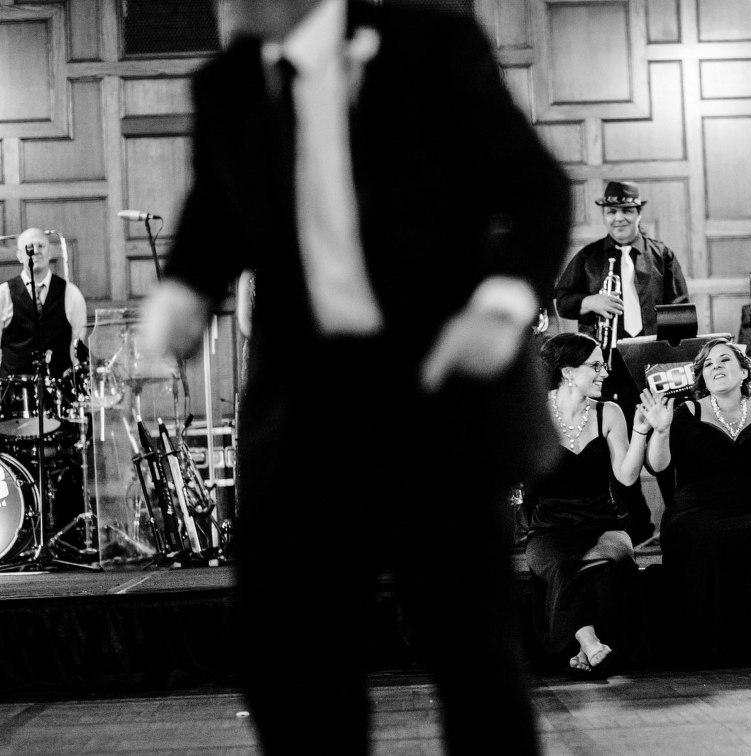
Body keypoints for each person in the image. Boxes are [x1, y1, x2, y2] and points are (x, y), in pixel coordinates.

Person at [141, 1, 570, 754]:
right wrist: (181, 291)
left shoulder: (433, 44)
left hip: (436, 391)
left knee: (472, 655)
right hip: (303, 411)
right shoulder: (228, 84)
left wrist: (499, 309)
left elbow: (535, 187)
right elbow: (217, 211)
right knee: (290, 661)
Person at [644, 337, 751, 667]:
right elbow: (658, 466)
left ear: (744, 372)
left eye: (724, 360)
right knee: (704, 536)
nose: (716, 367)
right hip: (697, 509)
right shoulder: (686, 412)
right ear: (702, 378)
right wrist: (660, 432)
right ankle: (710, 648)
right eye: (708, 364)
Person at [527, 333, 648, 678]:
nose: (605, 372)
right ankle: (591, 644)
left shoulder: (609, 412)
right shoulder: (534, 413)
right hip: (550, 528)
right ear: (568, 371)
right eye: (595, 365)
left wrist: (641, 433)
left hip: (604, 525)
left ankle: (586, 647)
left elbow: (626, 477)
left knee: (609, 563)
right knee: (564, 566)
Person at [554, 180, 689, 342]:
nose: (619, 218)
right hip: (601, 352)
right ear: (604, 216)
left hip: (654, 350)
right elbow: (562, 302)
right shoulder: (587, 256)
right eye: (611, 212)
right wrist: (588, 302)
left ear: (639, 214)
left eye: (627, 211)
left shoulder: (662, 255)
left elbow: (680, 311)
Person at [1, 228, 88, 380]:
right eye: (29, 247)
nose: (35, 251)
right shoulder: (3, 294)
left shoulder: (71, 294)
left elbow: (76, 350)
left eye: (41, 246)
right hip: (14, 390)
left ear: (50, 253)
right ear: (19, 256)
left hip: (59, 389)